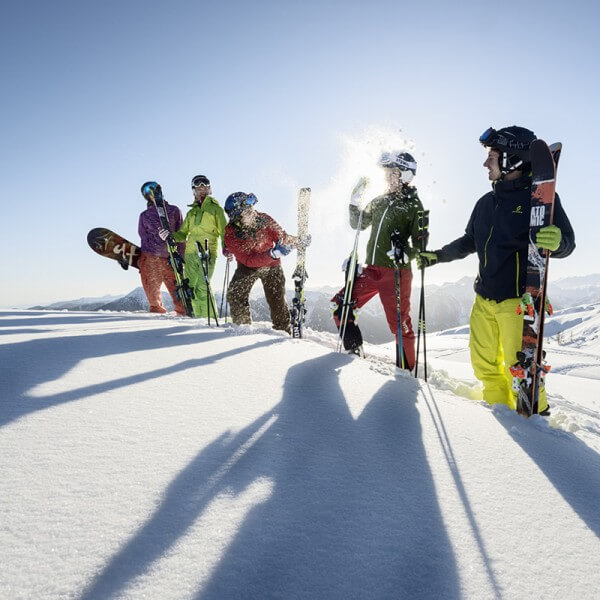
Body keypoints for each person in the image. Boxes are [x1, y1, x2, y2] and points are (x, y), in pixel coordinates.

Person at [417, 125, 575, 414]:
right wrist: (436, 256)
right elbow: (469, 241)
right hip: (483, 299)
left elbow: (568, 243)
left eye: (492, 156)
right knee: (484, 366)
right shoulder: (485, 203)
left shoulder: (539, 197)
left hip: (518, 304)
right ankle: (497, 421)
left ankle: (537, 426)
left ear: (511, 160)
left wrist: (557, 241)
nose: (485, 163)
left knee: (524, 371)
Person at [331, 151, 425, 369]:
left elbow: (421, 245)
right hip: (372, 269)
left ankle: (406, 371)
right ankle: (353, 350)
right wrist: (354, 203)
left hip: (396, 273)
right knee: (341, 304)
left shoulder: (414, 206)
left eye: (393, 173)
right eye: (386, 173)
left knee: (400, 325)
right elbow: (359, 224)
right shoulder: (380, 200)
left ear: (406, 175)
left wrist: (405, 253)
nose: (388, 178)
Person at [223, 192, 309, 334]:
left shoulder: (264, 219)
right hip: (247, 266)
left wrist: (298, 241)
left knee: (277, 299)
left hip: (271, 265)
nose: (253, 213)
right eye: (247, 211)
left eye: (251, 208)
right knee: (235, 293)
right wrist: (273, 253)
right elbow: (248, 260)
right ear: (237, 216)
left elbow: (283, 237)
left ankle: (283, 330)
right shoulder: (230, 234)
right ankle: (242, 328)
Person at [162, 175, 227, 318]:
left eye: (204, 186)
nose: (201, 189)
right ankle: (198, 320)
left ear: (209, 189)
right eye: (198, 187)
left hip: (208, 251)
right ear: (194, 191)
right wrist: (170, 236)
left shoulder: (217, 209)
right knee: (190, 288)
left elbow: (224, 231)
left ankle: (208, 319)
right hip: (190, 253)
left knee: (203, 287)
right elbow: (183, 234)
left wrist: (226, 247)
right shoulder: (191, 212)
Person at [138, 181, 186, 315]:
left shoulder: (174, 210)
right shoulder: (144, 215)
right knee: (152, 293)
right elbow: (143, 237)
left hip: (170, 256)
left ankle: (183, 313)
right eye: (147, 193)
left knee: (178, 291)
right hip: (151, 257)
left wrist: (182, 256)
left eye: (153, 190)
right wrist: (143, 261)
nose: (151, 194)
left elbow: (181, 233)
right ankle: (156, 317)